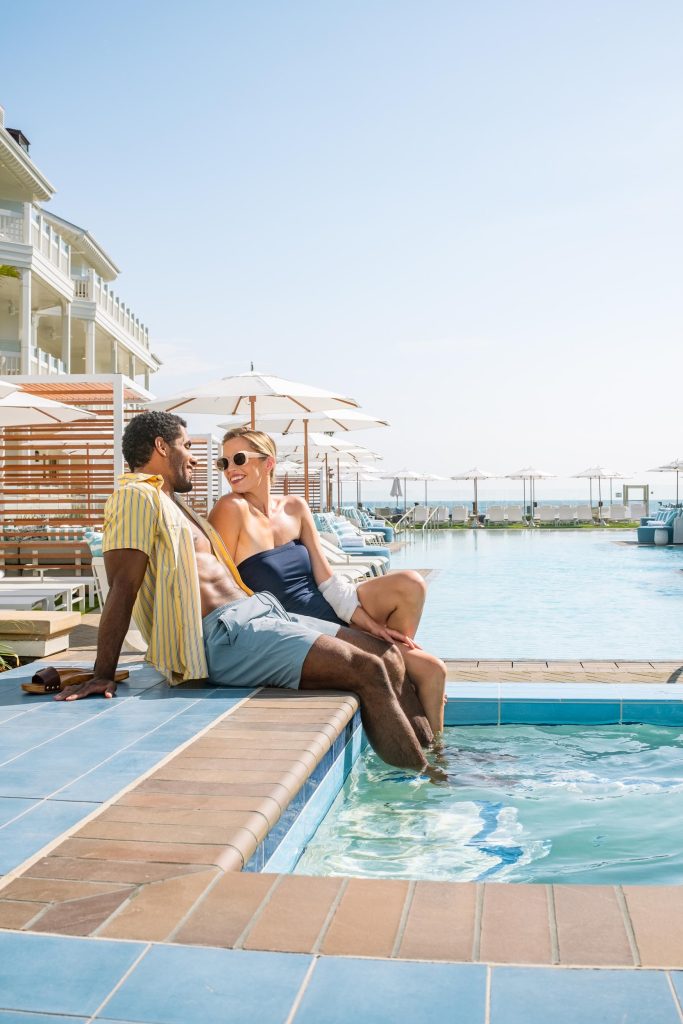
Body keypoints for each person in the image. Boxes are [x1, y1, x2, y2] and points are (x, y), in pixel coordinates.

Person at [55, 411, 434, 775]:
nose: (196, 460)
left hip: (258, 613)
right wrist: (102, 673)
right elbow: (123, 586)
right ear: (161, 446)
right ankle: (425, 785)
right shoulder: (136, 496)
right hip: (222, 635)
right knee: (366, 669)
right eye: (187, 446)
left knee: (387, 656)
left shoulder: (173, 503)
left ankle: (433, 754)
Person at [208, 427, 446, 734]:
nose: (231, 470)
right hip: (296, 627)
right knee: (433, 671)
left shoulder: (295, 507)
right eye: (223, 463)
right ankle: (432, 744)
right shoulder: (231, 509)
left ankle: (395, 675)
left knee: (411, 583)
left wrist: (368, 623)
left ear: (268, 463)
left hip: (327, 610)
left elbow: (326, 580)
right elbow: (221, 588)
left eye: (238, 459)